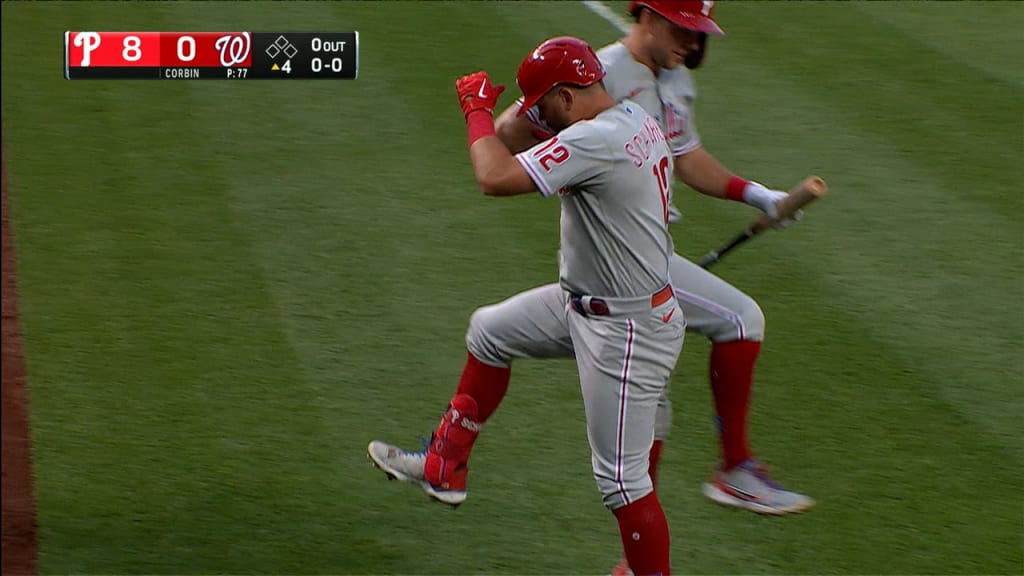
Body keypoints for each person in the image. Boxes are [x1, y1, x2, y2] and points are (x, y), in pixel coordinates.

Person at [494, 0, 815, 529]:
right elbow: (515, 128)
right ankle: (733, 469)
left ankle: (637, 556)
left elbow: (687, 156)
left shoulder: (672, 78)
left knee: (652, 413)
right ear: (646, 15)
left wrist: (756, 194)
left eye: (700, 33)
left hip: (646, 256)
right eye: (684, 29)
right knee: (738, 321)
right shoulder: (598, 75)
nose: (693, 45)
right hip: (617, 263)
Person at [370, 36, 684, 574]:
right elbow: (525, 137)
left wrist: (475, 111)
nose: (538, 115)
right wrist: (512, 120)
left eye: (543, 105)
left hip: (625, 327)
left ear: (565, 97)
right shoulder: (630, 115)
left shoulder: (593, 141)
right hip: (586, 304)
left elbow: (493, 176)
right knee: (489, 331)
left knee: (621, 482)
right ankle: (446, 464)